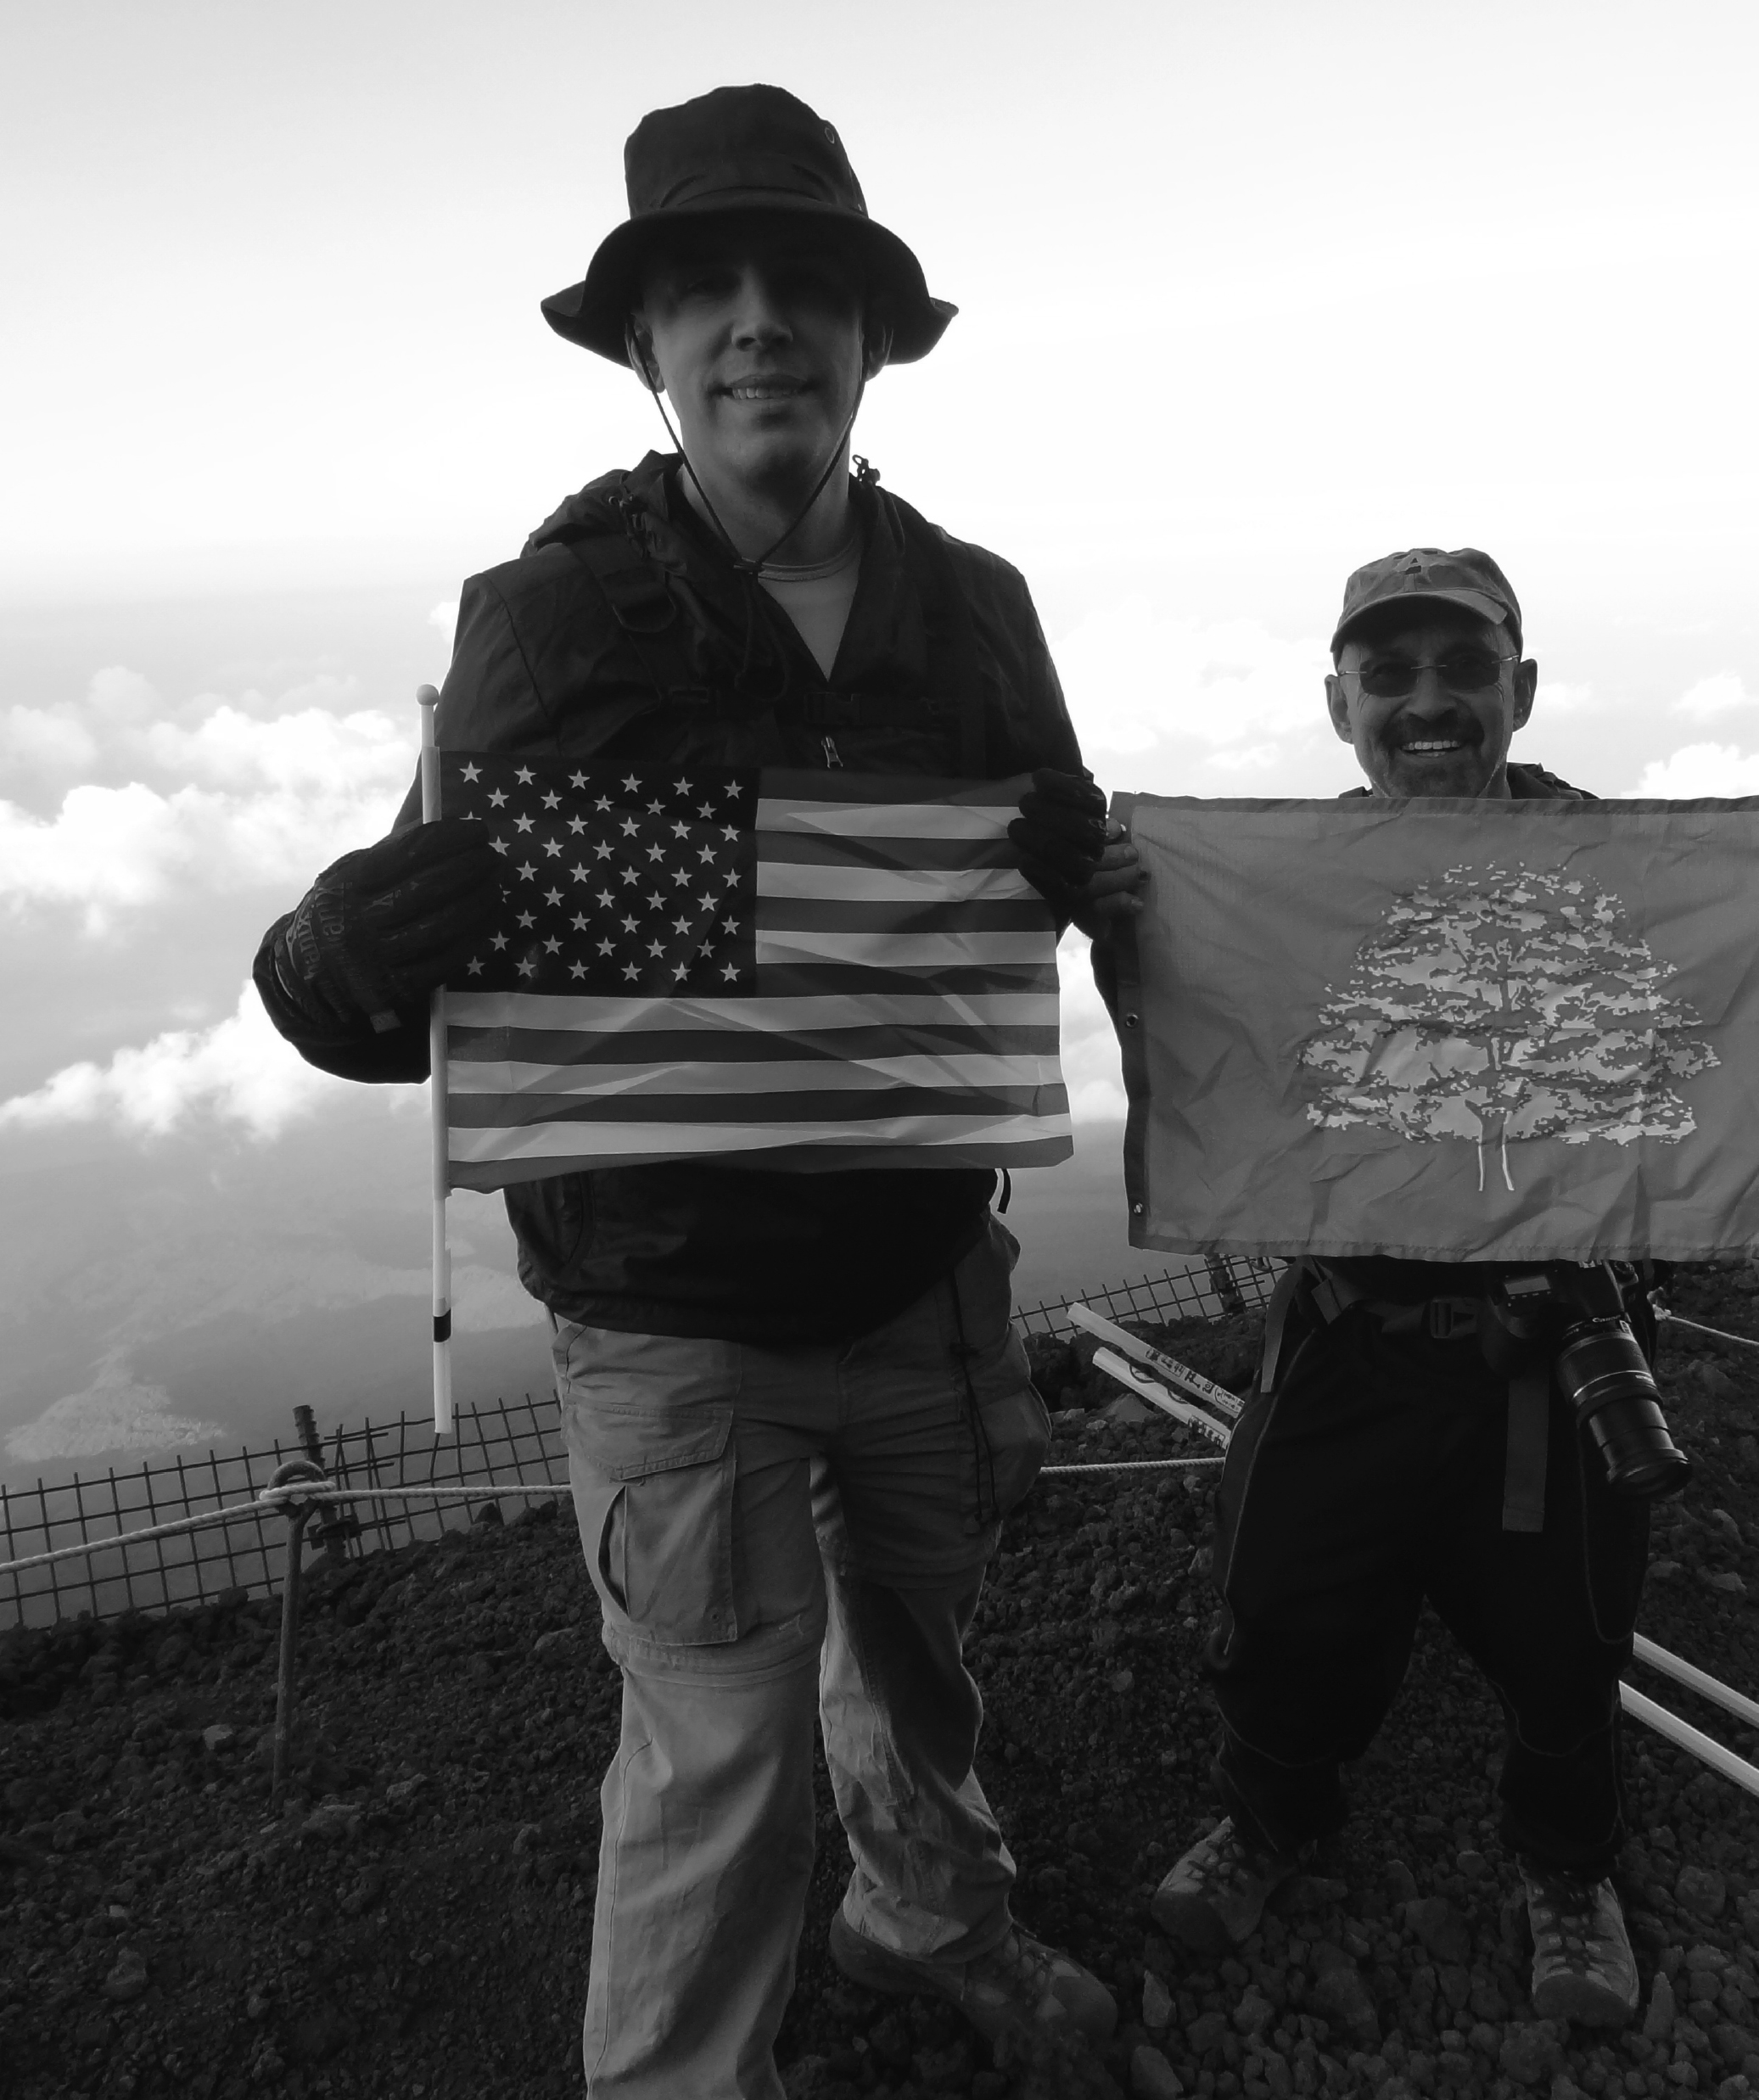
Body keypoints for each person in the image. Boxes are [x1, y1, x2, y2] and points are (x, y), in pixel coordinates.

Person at [253, 85, 1126, 2100]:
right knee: (717, 1738)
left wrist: (1089, 876)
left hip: (918, 1267)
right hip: (669, 1309)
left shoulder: (975, 607)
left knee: (912, 1659)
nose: (757, 324)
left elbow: (1045, 897)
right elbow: (407, 993)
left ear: (869, 336)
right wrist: (336, 951)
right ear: (644, 346)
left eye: (802, 284)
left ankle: (927, 1913)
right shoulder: (546, 617)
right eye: (705, 289)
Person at [1133, 546, 1759, 2023]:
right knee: (1282, 1606)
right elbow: (1196, 1026)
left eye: (1465, 668)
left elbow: (1741, 986)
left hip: (1552, 1348)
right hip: (1348, 1338)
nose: (1428, 702)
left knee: (1568, 1636)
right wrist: (1119, 909)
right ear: (1339, 705)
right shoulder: (1280, 889)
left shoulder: (1619, 868)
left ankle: (1567, 1867)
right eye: (1390, 675)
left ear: (1522, 688)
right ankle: (1273, 1815)